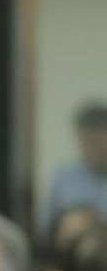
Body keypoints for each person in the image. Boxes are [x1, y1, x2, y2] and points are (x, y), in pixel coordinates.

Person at [41, 100, 107, 239]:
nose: (90, 148)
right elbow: (45, 230)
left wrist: (97, 222)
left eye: (95, 140)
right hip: (72, 249)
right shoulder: (64, 177)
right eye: (84, 141)